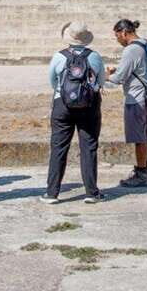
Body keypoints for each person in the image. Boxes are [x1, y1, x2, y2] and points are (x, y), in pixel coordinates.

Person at [40, 22, 106, 205]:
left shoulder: (59, 57)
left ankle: (52, 192)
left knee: (58, 148)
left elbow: (52, 81)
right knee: (89, 147)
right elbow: (101, 81)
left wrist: (66, 94)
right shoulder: (94, 57)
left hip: (62, 105)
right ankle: (92, 192)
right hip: (89, 105)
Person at [106, 18, 147, 187]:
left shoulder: (131, 50)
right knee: (144, 136)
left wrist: (104, 76)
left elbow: (119, 79)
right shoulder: (145, 43)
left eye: (117, 36)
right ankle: (143, 170)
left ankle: (142, 174)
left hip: (136, 98)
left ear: (124, 33)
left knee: (139, 137)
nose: (117, 40)